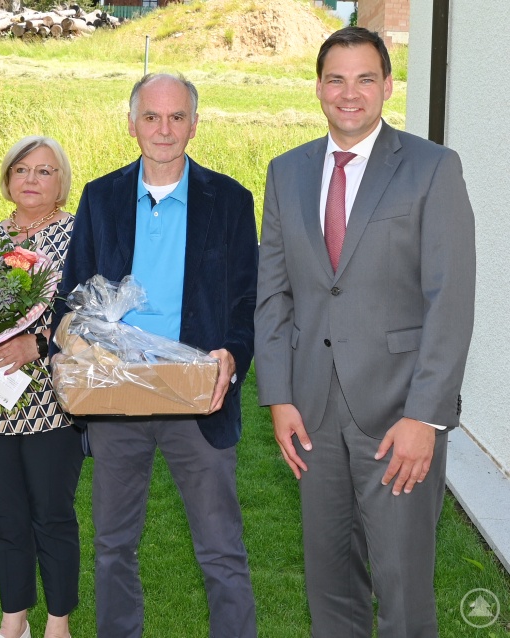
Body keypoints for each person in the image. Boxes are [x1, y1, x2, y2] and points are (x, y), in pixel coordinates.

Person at [254, 26, 476, 637]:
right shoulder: (286, 171)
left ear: (387, 86)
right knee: (329, 587)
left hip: (397, 417)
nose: (349, 94)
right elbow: (273, 295)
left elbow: (450, 301)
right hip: (312, 417)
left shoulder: (432, 168)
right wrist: (277, 397)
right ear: (318, 87)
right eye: (336, 79)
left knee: (403, 592)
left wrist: (425, 418)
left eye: (365, 79)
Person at [52, 73, 258, 638]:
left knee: (221, 549)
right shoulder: (101, 197)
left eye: (175, 118)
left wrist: (231, 360)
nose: (163, 130)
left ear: (194, 123)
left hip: (200, 399)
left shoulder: (231, 200)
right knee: (113, 546)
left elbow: (248, 303)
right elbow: (74, 294)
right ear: (132, 123)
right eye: (151, 117)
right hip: (118, 396)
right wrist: (74, 344)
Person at [0, 136, 84, 638]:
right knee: (7, 516)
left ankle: (58, 622)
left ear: (62, 182)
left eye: (44, 171)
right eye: (22, 170)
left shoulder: (81, 235)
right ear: (7, 179)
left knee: (52, 514)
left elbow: (90, 313)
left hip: (51, 400)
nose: (31, 180)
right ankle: (12, 622)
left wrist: (35, 344)